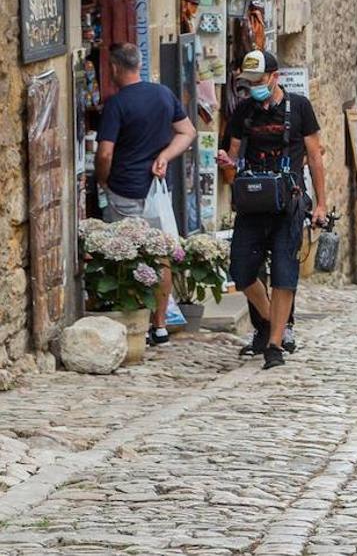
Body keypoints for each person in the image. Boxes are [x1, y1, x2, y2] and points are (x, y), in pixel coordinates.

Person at [217, 50, 328, 370]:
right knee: (241, 270)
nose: (253, 87)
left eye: (259, 80)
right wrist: (228, 164)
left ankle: (275, 345)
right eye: (248, 82)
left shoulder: (300, 108)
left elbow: (316, 156)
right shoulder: (243, 112)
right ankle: (267, 320)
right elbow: (233, 159)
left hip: (288, 205)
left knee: (284, 274)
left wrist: (320, 204)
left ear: (275, 77)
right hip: (253, 205)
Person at [95, 43, 196, 346]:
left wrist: (103, 180)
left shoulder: (117, 104)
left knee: (124, 255)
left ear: (114, 68)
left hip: (125, 190)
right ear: (138, 64)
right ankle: (161, 325)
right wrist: (165, 156)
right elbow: (188, 131)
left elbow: (104, 153)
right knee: (159, 255)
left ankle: (133, 323)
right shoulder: (163, 94)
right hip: (155, 191)